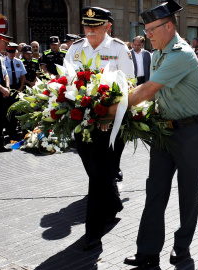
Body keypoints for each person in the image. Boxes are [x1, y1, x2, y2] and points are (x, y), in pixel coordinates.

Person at [119, 0, 198, 267]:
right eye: (145, 30)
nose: (147, 35)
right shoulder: (158, 53)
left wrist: (108, 108)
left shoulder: (181, 54)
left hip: (190, 132)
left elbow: (147, 90)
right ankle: (147, 251)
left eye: (151, 29)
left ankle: (182, 247)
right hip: (163, 131)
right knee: (155, 191)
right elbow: (153, 96)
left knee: (188, 194)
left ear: (169, 26)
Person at [63, 6, 135, 251]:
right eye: (86, 26)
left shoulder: (118, 49)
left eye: (95, 26)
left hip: (108, 124)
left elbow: (129, 84)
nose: (90, 30)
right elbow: (64, 81)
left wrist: (108, 114)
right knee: (93, 169)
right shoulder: (74, 49)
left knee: (97, 175)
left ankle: (93, 233)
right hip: (81, 121)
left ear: (108, 27)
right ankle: (113, 203)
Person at [5, 43, 27, 141]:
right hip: (8, 88)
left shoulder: (19, 62)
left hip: (17, 88)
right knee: (8, 112)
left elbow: (23, 76)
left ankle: (15, 133)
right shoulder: (2, 62)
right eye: (9, 52)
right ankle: (9, 132)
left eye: (13, 52)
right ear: (6, 52)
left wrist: (20, 88)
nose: (11, 54)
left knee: (16, 112)